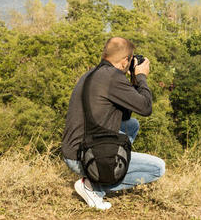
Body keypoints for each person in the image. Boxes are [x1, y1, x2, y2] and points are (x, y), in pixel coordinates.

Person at [61, 37, 165, 210]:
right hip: (84, 156)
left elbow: (124, 116)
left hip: (75, 148)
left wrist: (131, 81)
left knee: (131, 125)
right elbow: (146, 108)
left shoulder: (92, 74)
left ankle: (106, 170)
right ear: (125, 61)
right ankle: (93, 187)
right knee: (158, 168)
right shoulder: (113, 78)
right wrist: (140, 77)